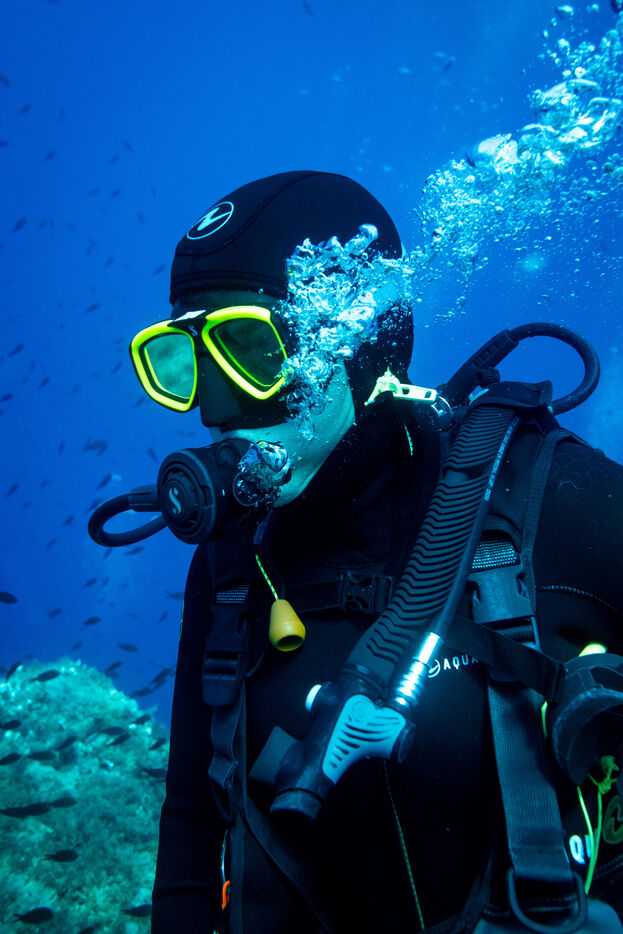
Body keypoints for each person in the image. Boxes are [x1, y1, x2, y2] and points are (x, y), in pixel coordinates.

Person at [127, 171, 623, 933]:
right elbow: (193, 819)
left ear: (360, 345)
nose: (213, 407)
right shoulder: (232, 564)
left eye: (252, 350)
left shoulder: (546, 499)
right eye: (181, 361)